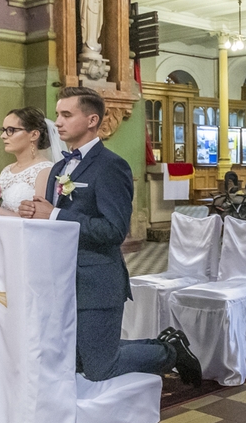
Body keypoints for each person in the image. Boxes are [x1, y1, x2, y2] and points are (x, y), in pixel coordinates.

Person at [15, 87, 202, 385]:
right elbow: (53, 220)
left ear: (91, 120)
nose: (58, 122)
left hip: (96, 281)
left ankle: (169, 352)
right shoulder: (59, 168)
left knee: (99, 368)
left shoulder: (111, 166)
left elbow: (114, 231)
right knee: (76, 359)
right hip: (60, 279)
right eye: (58, 114)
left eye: (66, 114)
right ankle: (163, 343)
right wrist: (35, 212)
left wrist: (55, 214)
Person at [0, 107, 57, 216]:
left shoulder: (45, 170)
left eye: (10, 130)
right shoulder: (7, 170)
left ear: (34, 135)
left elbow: (41, 217)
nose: (3, 136)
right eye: (3, 130)